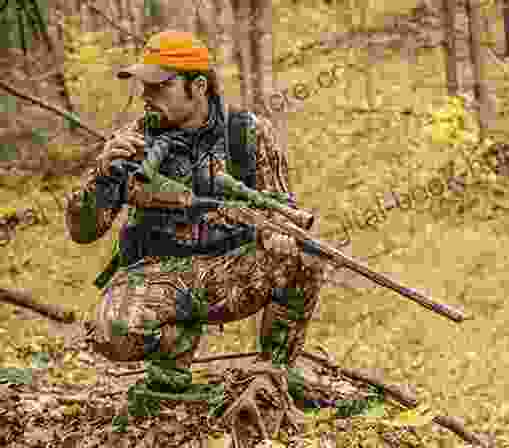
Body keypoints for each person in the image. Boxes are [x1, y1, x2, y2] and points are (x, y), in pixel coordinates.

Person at [64, 30, 326, 394]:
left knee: (307, 253)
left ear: (199, 85)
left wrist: (280, 233)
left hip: (232, 272)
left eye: (159, 86)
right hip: (155, 275)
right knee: (112, 330)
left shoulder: (247, 134)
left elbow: (283, 209)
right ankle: (172, 361)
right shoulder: (133, 141)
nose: (146, 96)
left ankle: (273, 372)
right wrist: (101, 176)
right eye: (144, 86)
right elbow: (83, 231)